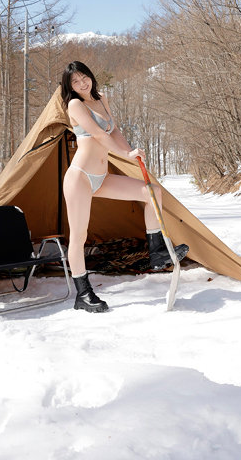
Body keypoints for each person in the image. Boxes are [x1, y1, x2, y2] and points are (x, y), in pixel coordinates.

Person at [61, 60, 189, 313]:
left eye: (84, 77)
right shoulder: (75, 104)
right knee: (79, 236)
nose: (82, 83)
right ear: (70, 87)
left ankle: (157, 252)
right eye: (75, 81)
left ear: (90, 76)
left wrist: (130, 149)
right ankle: (83, 294)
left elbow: (114, 130)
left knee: (152, 192)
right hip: (80, 177)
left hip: (101, 177)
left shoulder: (102, 99)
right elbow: (98, 135)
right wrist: (124, 155)